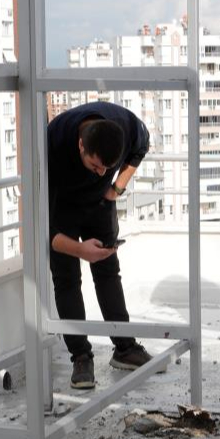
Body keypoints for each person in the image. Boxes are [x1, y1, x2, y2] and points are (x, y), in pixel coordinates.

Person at [47, 101, 157, 389]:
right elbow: (46, 232)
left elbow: (141, 147)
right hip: (62, 205)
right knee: (67, 279)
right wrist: (80, 250)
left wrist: (116, 186)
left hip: (100, 204)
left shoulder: (124, 124)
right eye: (95, 165)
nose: (99, 172)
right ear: (81, 145)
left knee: (108, 271)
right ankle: (80, 357)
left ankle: (124, 347)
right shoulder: (53, 142)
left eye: (105, 168)